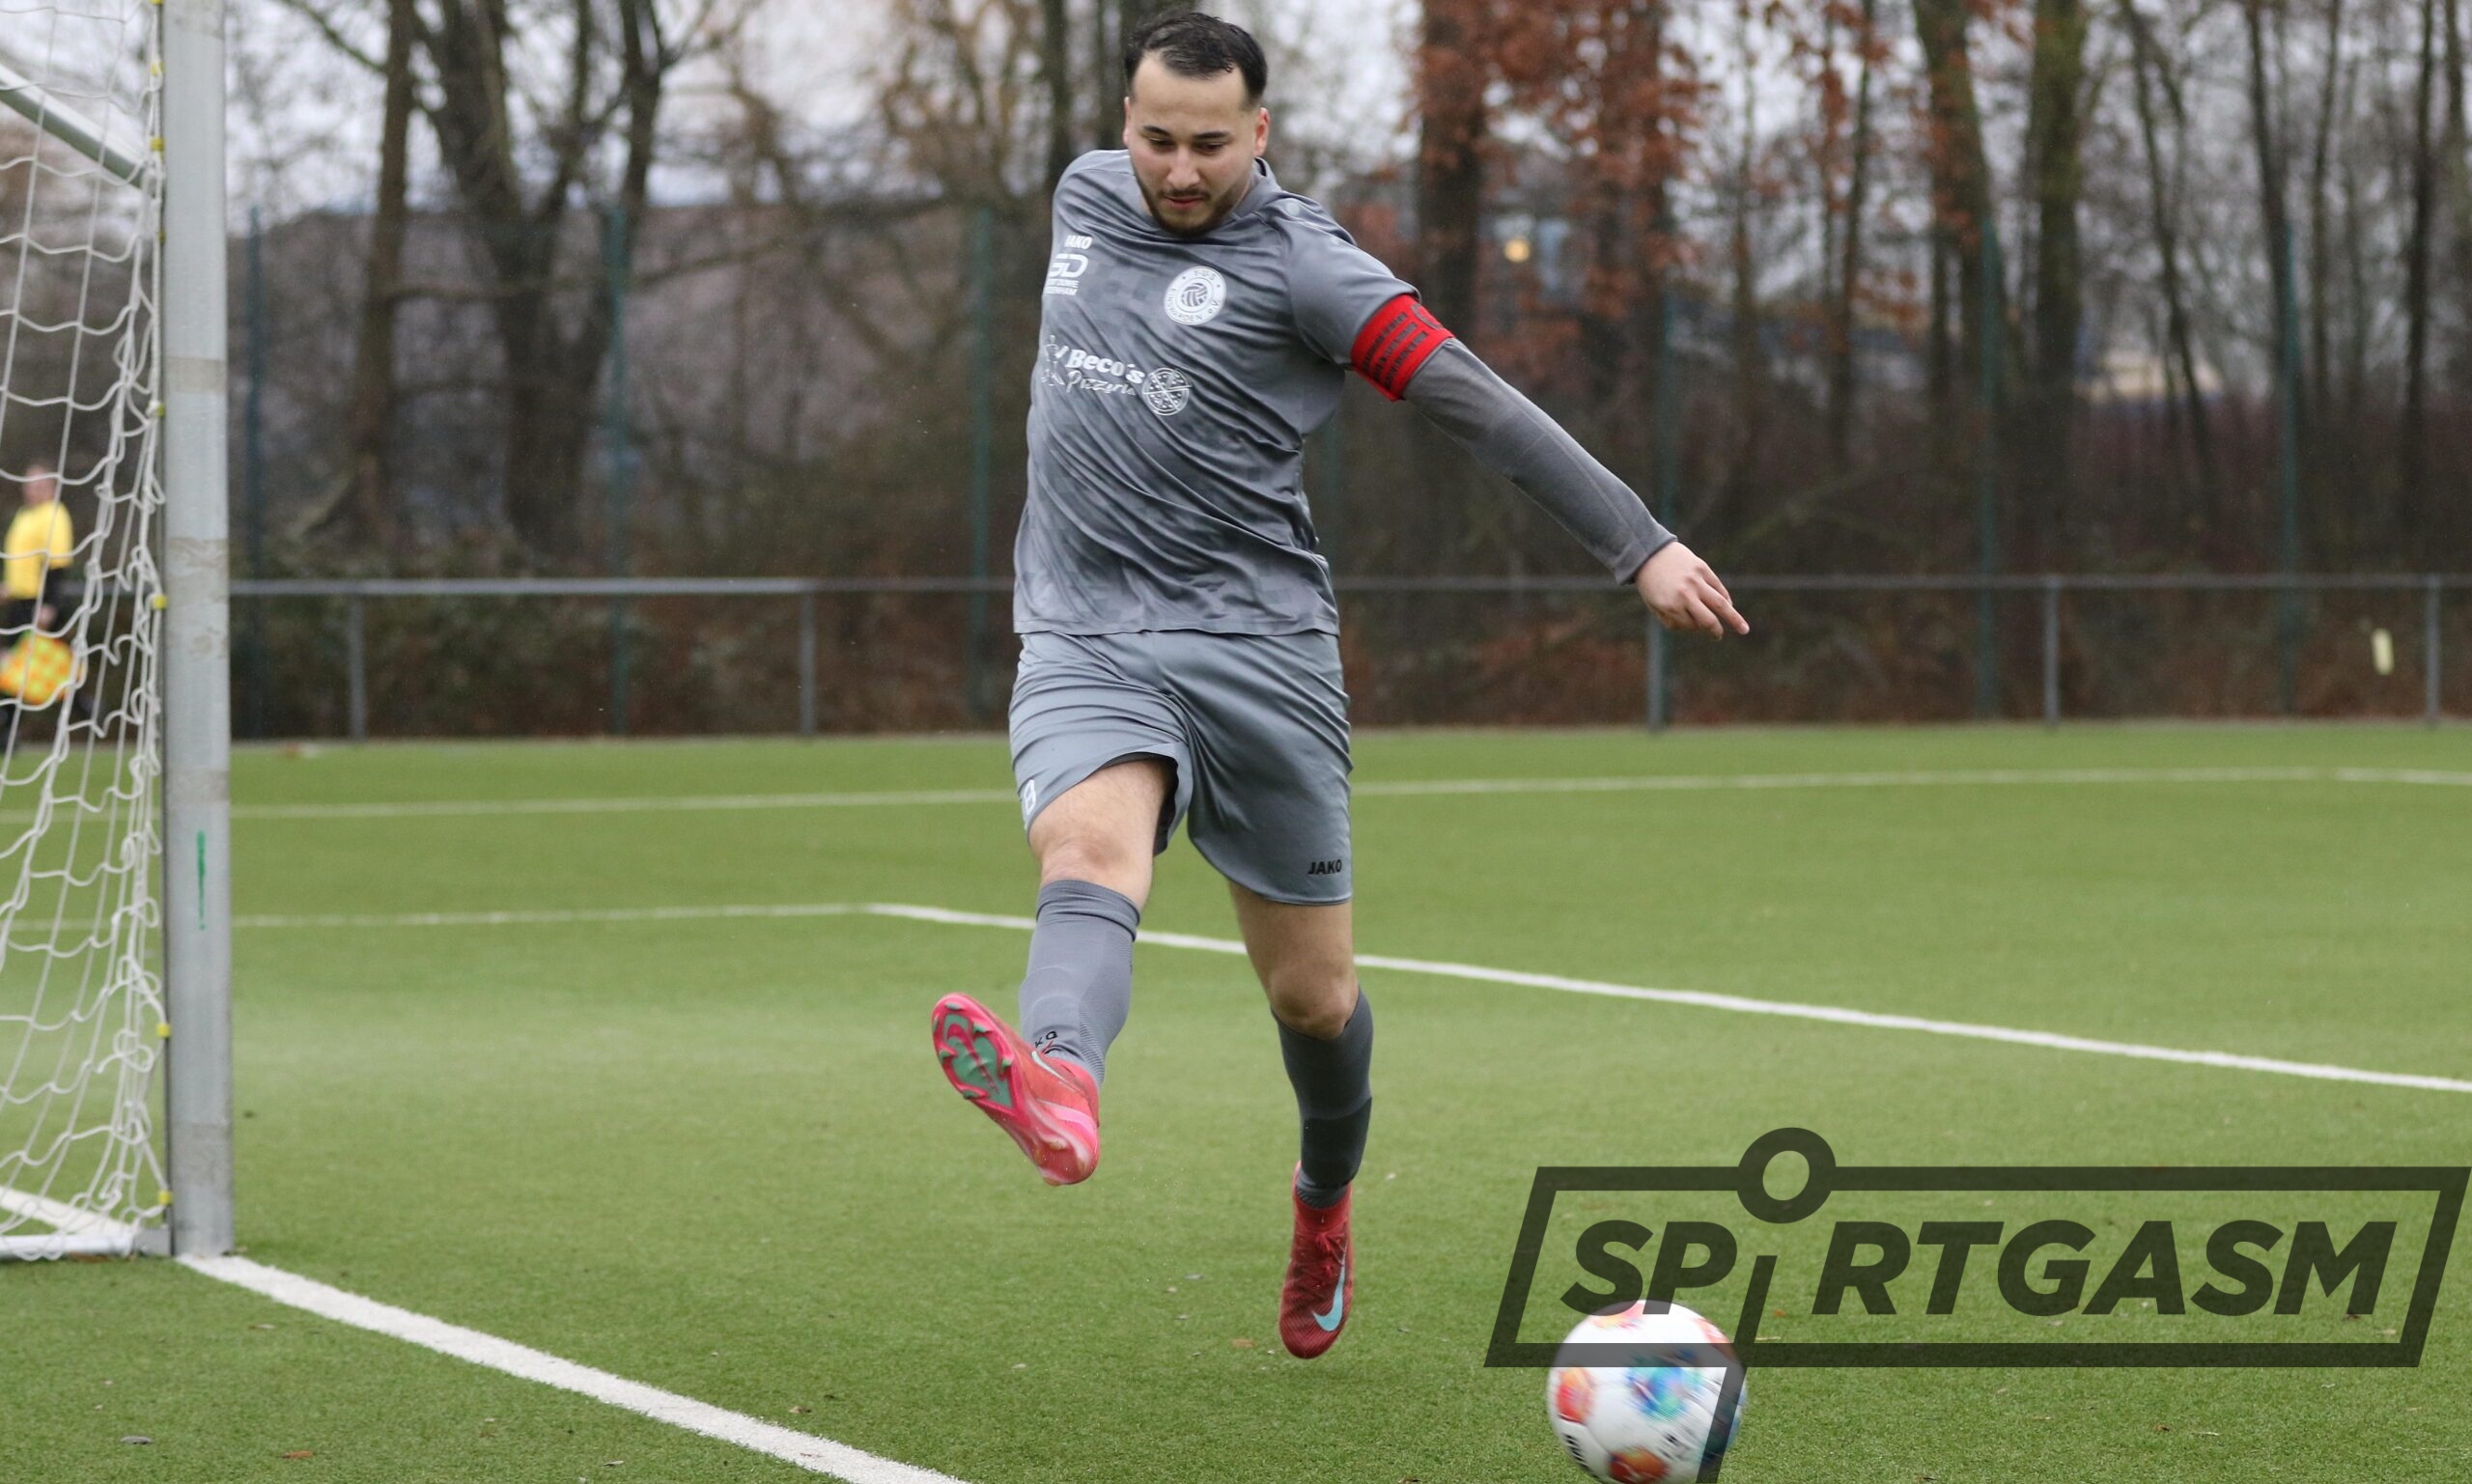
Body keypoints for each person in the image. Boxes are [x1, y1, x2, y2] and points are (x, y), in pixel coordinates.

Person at [928, 12, 1747, 1361]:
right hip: (1086, 631)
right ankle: (1060, 1080)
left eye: (1208, 145)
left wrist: (1638, 544)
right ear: (1122, 122)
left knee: (1312, 998)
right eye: (1155, 138)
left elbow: (1475, 399)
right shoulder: (1083, 195)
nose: (1177, 170)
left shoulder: (1311, 270)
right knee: (1086, 850)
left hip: (1260, 652)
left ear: (1259, 132)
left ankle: (1323, 1199)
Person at [2, 461, 74, 639]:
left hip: (39, 603)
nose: (32, 491)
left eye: (40, 486)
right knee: (13, 653)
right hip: (19, 601)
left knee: (33, 655)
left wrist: (51, 605)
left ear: (53, 488)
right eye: (29, 485)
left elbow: (57, 565)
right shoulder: (25, 514)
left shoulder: (54, 514)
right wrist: (10, 586)